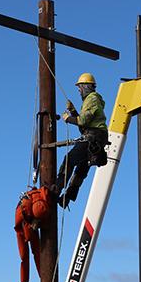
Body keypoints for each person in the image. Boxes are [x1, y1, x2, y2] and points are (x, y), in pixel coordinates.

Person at [55, 72, 108, 207]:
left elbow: (83, 121)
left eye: (79, 87)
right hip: (95, 137)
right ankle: (66, 198)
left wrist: (68, 119)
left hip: (93, 138)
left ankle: (56, 189)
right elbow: (84, 126)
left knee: (69, 160)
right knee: (80, 170)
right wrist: (73, 111)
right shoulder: (91, 101)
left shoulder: (92, 99)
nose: (79, 91)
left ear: (86, 86)